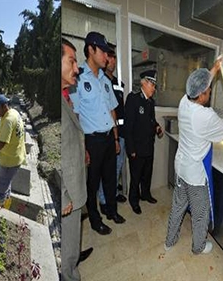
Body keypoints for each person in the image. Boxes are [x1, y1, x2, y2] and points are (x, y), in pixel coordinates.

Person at [164, 59, 223, 254]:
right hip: (195, 175)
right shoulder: (206, 116)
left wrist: (214, 69)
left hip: (180, 167)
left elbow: (200, 84)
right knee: (200, 213)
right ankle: (198, 247)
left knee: (178, 206)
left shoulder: (183, 102)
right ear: (202, 95)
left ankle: (169, 241)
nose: (210, 91)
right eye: (208, 90)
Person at [70, 31, 125, 236]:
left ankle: (112, 211)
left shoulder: (104, 80)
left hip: (109, 138)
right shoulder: (78, 78)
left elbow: (112, 109)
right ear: (91, 50)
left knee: (111, 179)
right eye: (102, 51)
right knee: (92, 185)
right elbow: (74, 116)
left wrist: (116, 137)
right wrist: (82, 147)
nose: (106, 57)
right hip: (91, 141)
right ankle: (95, 220)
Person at [61, 38, 97, 281]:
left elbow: (70, 135)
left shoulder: (65, 95)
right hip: (68, 189)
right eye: (71, 61)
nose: (76, 68)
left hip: (75, 174)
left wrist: (82, 149)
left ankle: (73, 256)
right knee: (68, 233)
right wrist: (63, 195)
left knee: (73, 235)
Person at [124, 70, 163, 215]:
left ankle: (145, 194)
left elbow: (151, 121)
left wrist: (157, 127)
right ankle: (134, 200)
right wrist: (131, 149)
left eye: (154, 85)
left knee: (147, 174)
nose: (154, 88)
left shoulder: (150, 102)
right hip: (137, 148)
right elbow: (128, 127)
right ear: (144, 83)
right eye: (152, 84)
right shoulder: (133, 99)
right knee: (136, 176)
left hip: (148, 146)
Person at [97, 44, 127, 216]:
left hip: (120, 133)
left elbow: (120, 109)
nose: (112, 61)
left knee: (117, 167)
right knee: (106, 170)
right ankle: (103, 199)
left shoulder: (118, 84)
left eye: (114, 57)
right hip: (108, 134)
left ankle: (113, 194)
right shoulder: (100, 82)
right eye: (109, 57)